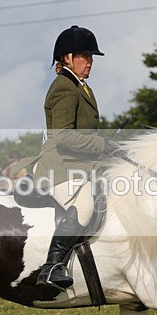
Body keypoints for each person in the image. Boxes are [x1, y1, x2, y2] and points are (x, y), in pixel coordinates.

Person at [31, 25, 117, 290]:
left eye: (91, 57)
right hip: (59, 168)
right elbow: (64, 137)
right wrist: (103, 145)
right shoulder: (64, 88)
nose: (90, 62)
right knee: (84, 206)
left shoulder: (81, 86)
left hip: (78, 166)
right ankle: (52, 266)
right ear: (67, 57)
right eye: (85, 56)